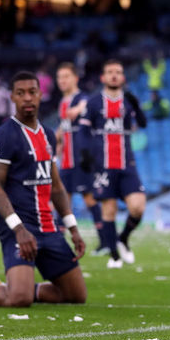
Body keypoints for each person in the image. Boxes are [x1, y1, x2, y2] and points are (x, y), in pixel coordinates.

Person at [0, 71, 87, 306]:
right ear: (12, 97)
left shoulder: (48, 135)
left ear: (40, 95)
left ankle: (6, 286)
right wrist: (19, 229)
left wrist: (72, 227)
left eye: (32, 92)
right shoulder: (3, 137)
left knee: (75, 296)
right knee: (19, 299)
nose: (27, 98)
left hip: (48, 227)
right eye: (21, 93)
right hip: (18, 227)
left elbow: (57, 187)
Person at [81, 60, 147, 269]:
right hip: (103, 166)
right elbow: (83, 132)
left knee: (137, 207)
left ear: (123, 77)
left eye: (118, 72)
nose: (114, 75)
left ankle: (123, 238)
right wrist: (86, 156)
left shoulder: (128, 101)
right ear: (103, 77)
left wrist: (136, 105)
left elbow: (143, 124)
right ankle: (115, 257)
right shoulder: (93, 103)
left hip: (127, 164)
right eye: (110, 72)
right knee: (108, 211)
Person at [55, 62, 106, 254]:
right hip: (66, 161)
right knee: (61, 200)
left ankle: (105, 240)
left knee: (90, 199)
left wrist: (78, 109)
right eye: (60, 77)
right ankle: (58, 242)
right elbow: (63, 127)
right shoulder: (62, 102)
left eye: (66, 76)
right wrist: (55, 142)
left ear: (75, 78)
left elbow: (88, 102)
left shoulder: (81, 98)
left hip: (81, 159)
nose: (62, 81)